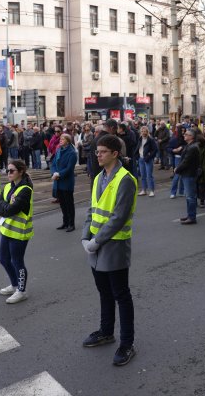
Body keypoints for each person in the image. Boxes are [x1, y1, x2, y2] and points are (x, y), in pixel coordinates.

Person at [80, 134, 138, 367]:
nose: (98, 155)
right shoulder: (98, 177)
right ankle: (106, 331)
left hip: (113, 246)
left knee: (121, 296)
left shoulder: (126, 179)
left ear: (115, 154)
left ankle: (127, 343)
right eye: (97, 152)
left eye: (102, 151)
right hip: (96, 246)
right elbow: (92, 209)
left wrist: (96, 241)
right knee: (104, 292)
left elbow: (118, 217)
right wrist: (85, 236)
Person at [0, 159, 34, 304]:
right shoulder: (7, 186)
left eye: (12, 171)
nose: (8, 173)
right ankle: (14, 285)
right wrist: (5, 207)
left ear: (21, 172)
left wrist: (4, 207)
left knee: (17, 261)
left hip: (20, 232)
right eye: (7, 170)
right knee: (4, 260)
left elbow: (11, 209)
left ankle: (22, 291)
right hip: (7, 230)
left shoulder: (26, 189)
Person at [52, 133, 78, 232]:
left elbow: (69, 168)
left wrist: (59, 174)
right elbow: (53, 163)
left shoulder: (72, 153)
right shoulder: (59, 150)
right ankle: (65, 222)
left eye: (63, 139)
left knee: (69, 203)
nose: (60, 140)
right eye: (60, 139)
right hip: (58, 181)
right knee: (62, 203)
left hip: (66, 181)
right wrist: (54, 172)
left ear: (68, 140)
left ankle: (71, 224)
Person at [175, 128, 200, 224]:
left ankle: (192, 217)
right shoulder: (189, 146)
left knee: (190, 196)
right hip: (187, 173)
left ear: (191, 137)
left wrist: (177, 169)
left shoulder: (192, 147)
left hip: (189, 174)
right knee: (189, 196)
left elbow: (186, 161)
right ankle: (190, 215)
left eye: (186, 134)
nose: (184, 135)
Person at [136, 126, 158, 197]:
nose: (143, 133)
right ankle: (144, 190)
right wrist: (137, 155)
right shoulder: (139, 139)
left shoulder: (150, 139)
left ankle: (151, 191)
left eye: (145, 131)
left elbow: (155, 149)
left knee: (149, 175)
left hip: (148, 159)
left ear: (147, 132)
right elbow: (138, 147)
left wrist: (149, 156)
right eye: (142, 131)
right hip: (141, 158)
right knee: (143, 175)